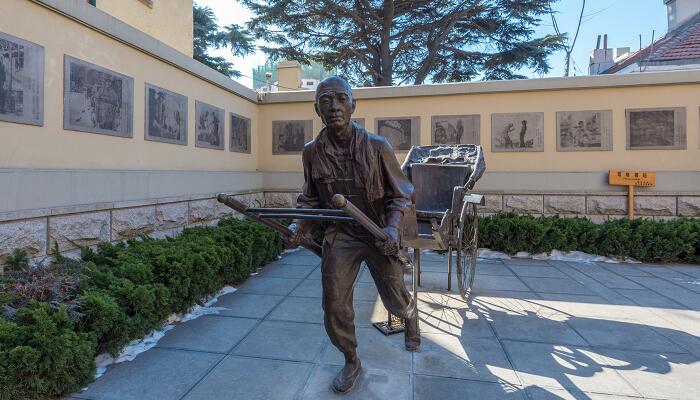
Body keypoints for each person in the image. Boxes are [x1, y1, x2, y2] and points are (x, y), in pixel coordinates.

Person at [287, 76, 420, 394]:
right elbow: (310, 198)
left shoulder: (377, 146)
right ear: (317, 108)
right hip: (342, 234)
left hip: (378, 231)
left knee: (394, 296)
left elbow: (402, 194)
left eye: (340, 98)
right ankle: (350, 360)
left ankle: (410, 318)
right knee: (334, 303)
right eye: (325, 100)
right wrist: (298, 227)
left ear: (353, 104)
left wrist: (391, 228)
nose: (333, 106)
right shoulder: (311, 152)